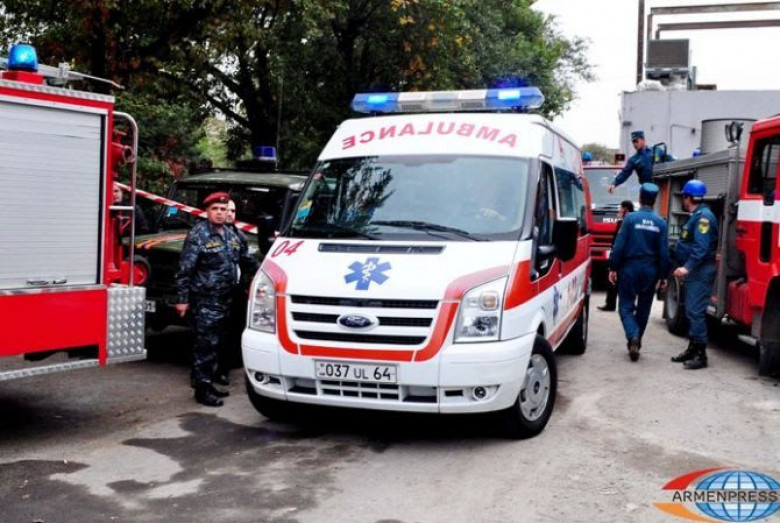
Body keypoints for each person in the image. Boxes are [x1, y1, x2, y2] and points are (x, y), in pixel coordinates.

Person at [174, 192, 260, 406]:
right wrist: (182, 299)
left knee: (216, 344)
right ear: (207, 211)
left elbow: (245, 259)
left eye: (223, 209)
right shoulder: (199, 234)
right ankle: (201, 390)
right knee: (204, 345)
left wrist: (266, 270)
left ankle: (208, 381)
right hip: (205, 300)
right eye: (215, 209)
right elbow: (185, 269)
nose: (220, 213)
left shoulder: (231, 235)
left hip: (225, 300)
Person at [608, 183, 670, 362]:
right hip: (650, 270)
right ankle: (636, 339)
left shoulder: (630, 219)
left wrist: (613, 267)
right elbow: (664, 253)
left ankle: (633, 335)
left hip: (630, 268)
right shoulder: (661, 223)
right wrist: (663, 276)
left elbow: (619, 245)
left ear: (640, 199)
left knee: (625, 306)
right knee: (644, 308)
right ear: (655, 200)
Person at [671, 180, 718, 370]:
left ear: (688, 198)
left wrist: (687, 267)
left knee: (695, 312)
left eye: (684, 196)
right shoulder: (698, 215)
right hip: (696, 272)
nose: (683, 200)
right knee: (691, 311)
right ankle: (692, 349)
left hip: (700, 271)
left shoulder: (703, 218)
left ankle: (701, 354)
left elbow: (701, 247)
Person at [216, 199, 260, 386]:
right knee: (212, 335)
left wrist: (263, 271)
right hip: (214, 293)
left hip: (235, 291)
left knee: (233, 332)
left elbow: (245, 259)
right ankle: (204, 377)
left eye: (233, 211)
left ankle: (223, 370)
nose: (230, 214)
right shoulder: (205, 234)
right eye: (227, 210)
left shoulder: (238, 236)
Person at [598, 200, 635, 312]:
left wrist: (613, 254)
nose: (618, 211)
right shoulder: (633, 220)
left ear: (625, 209)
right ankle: (625, 304)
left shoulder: (624, 222)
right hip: (629, 256)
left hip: (622, 255)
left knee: (614, 278)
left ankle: (611, 304)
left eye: (620, 208)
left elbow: (617, 240)